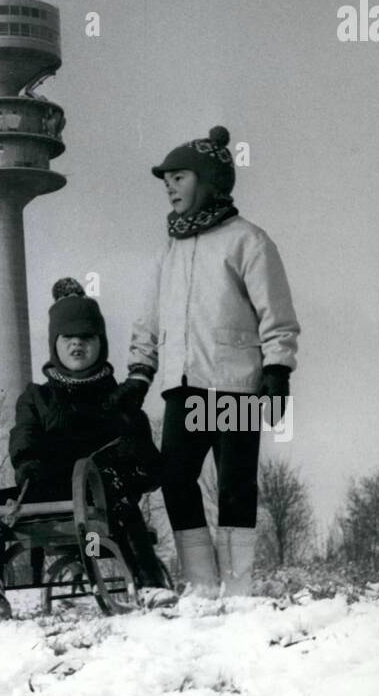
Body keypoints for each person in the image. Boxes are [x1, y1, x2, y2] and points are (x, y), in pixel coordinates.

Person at [119, 126, 300, 596]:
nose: (169, 186)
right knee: (175, 479)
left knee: (236, 485)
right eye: (166, 179)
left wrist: (277, 371)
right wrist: (139, 375)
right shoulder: (169, 252)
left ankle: (237, 590)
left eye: (179, 177)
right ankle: (201, 587)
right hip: (185, 386)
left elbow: (276, 315)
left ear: (208, 181)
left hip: (238, 385)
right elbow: (149, 320)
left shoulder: (249, 241)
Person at [0, 279, 176, 620]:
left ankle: (149, 584)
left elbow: (149, 465)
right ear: (54, 345)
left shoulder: (120, 398)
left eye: (87, 337)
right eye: (68, 337)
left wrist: (134, 464)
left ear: (101, 344)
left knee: (120, 499)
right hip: (47, 491)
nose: (78, 343)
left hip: (102, 499)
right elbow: (25, 435)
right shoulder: (37, 398)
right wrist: (28, 463)